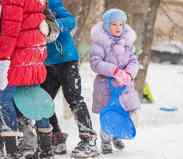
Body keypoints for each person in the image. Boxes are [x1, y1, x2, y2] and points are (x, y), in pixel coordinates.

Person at [40, 0, 99, 158]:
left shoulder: (51, 3)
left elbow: (71, 21)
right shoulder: (27, 8)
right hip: (45, 62)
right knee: (43, 101)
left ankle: (88, 140)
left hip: (66, 59)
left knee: (73, 98)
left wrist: (54, 23)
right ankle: (56, 137)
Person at [0, 0, 54, 158]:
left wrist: (3, 59)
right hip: (34, 56)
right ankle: (46, 146)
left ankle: (12, 148)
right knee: (33, 98)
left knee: (3, 98)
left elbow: (10, 31)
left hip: (17, 57)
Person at [90, 8, 141, 154]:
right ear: (106, 25)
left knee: (127, 111)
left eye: (121, 24)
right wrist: (114, 71)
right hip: (106, 86)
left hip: (124, 85)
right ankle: (106, 140)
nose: (118, 28)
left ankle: (117, 134)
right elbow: (95, 63)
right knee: (109, 113)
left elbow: (133, 61)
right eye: (114, 24)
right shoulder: (99, 43)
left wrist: (128, 74)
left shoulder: (127, 43)